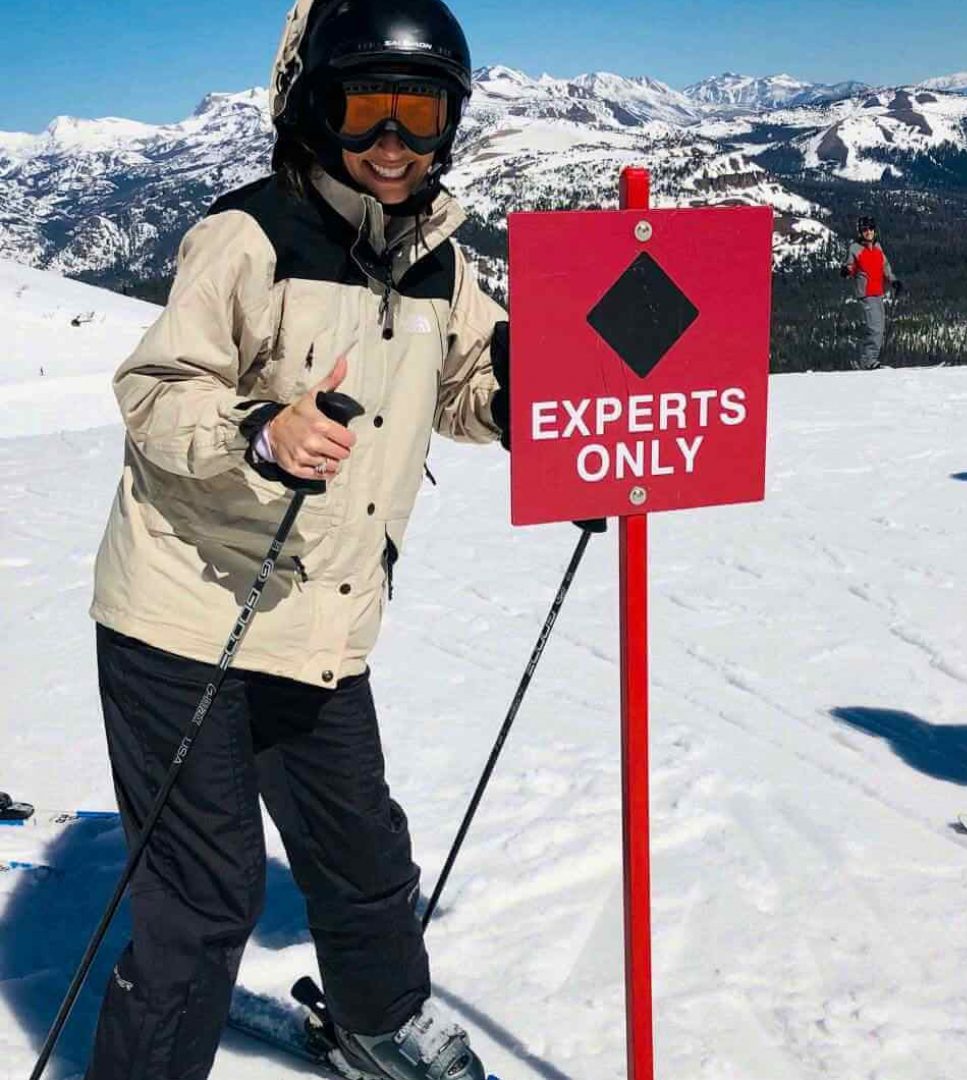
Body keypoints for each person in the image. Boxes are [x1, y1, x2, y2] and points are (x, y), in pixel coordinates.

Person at [84, 0, 510, 1077]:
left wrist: (529, 404)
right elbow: (157, 389)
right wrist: (259, 433)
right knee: (204, 896)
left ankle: (380, 1017)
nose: (391, 144)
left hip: (318, 619)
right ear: (314, 110)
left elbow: (462, 384)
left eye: (418, 115)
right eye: (365, 109)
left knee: (363, 852)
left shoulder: (438, 261)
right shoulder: (249, 237)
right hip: (185, 618)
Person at [840, 215, 903, 370]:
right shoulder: (855, 248)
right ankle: (868, 362)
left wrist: (893, 280)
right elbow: (850, 266)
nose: (868, 232)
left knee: (879, 328)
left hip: (878, 293)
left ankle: (867, 360)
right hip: (866, 294)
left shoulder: (877, 247)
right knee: (875, 328)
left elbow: (884, 266)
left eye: (871, 229)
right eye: (865, 229)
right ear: (860, 232)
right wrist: (846, 271)